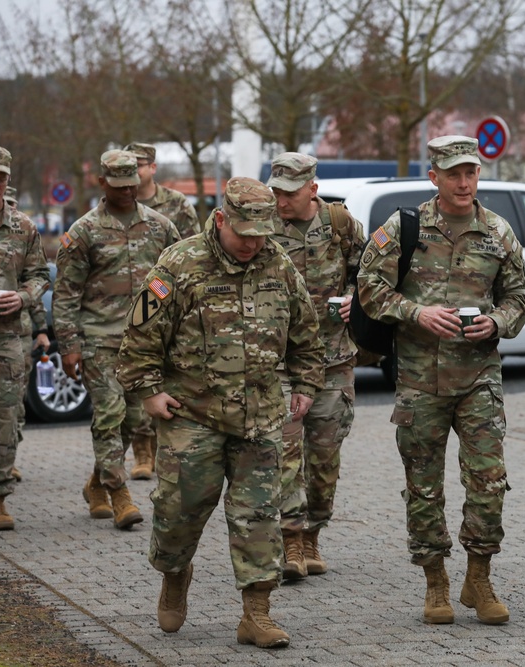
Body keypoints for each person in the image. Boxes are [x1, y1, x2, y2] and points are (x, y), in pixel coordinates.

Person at [116, 177, 326, 649]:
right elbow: (138, 342)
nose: (253, 243)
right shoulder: (178, 264)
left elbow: (307, 336)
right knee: (179, 513)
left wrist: (307, 385)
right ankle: (174, 573)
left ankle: (257, 613)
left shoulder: (280, 263)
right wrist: (149, 393)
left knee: (259, 516)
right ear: (220, 219)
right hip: (193, 417)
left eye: (261, 233)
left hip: (261, 418)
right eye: (244, 233)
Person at [357, 135, 525, 626]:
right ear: (434, 177)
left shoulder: (498, 232)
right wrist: (415, 313)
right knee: (424, 487)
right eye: (453, 173)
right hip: (419, 381)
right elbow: (369, 287)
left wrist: (497, 323)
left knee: (489, 483)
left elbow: (517, 299)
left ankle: (480, 576)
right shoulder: (404, 228)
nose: (463, 182)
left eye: (470, 172)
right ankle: (435, 581)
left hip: (479, 379)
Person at [53, 149, 180, 530]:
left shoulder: (160, 227)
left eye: (132, 184)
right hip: (98, 338)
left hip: (144, 343)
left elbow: (179, 278)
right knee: (109, 415)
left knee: (134, 420)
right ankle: (118, 492)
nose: (128, 191)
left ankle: (96, 483)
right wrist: (69, 345)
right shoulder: (84, 232)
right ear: (103, 183)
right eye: (119, 185)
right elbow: (66, 293)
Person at [267, 152, 366, 580]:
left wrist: (354, 300)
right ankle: (290, 542)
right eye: (276, 191)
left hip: (333, 358)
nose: (281, 200)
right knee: (286, 454)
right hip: (279, 362)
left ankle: (312, 535)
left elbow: (371, 274)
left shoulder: (340, 224)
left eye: (289, 193)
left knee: (324, 458)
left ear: (313, 188)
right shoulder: (264, 226)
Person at [123, 141, 201, 479]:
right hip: (130, 306)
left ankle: (160, 448)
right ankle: (142, 451)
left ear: (153, 168)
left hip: (170, 305)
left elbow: (198, 250)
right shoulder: (120, 200)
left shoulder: (176, 205)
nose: (135, 171)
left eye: (139, 165)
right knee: (135, 381)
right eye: (129, 165)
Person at [0, 147, 50, 531]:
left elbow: (40, 274)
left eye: (1, 178)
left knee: (6, 418)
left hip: (6, 337)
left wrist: (23, 297)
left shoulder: (23, 227)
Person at [5, 185, 51, 485]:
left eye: (12, 203)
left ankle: (6, 461)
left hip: (14, 333)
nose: (8, 207)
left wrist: (42, 330)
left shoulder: (22, 233)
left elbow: (34, 286)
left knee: (13, 404)